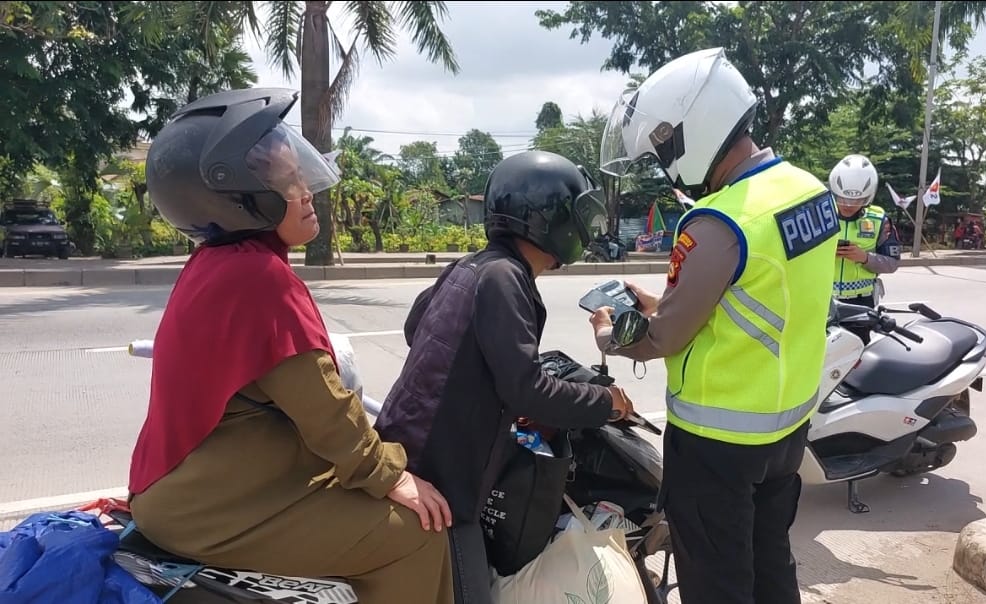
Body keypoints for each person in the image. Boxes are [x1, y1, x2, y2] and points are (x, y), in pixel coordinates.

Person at [126, 88, 454, 604]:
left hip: (196, 490)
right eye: (285, 180)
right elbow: (324, 409)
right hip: (212, 507)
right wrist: (392, 474)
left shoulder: (219, 265)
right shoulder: (258, 278)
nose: (305, 190)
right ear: (235, 196)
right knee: (416, 533)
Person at [590, 48, 839, 604]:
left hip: (717, 445)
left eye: (663, 147)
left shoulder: (718, 219)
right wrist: (662, 301)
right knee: (771, 560)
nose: (664, 162)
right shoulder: (809, 190)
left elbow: (665, 338)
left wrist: (612, 335)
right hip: (786, 430)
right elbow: (759, 296)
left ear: (692, 133)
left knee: (716, 582)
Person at [373, 149, 636, 603]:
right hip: (443, 483)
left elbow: (419, 329)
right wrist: (606, 401)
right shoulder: (505, 278)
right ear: (549, 218)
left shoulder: (471, 266)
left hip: (409, 451)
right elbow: (527, 388)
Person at [828, 154, 902, 309]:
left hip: (861, 302)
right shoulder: (819, 215)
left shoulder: (879, 220)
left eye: (857, 200)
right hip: (823, 298)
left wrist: (864, 257)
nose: (848, 205)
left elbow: (892, 263)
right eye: (842, 199)